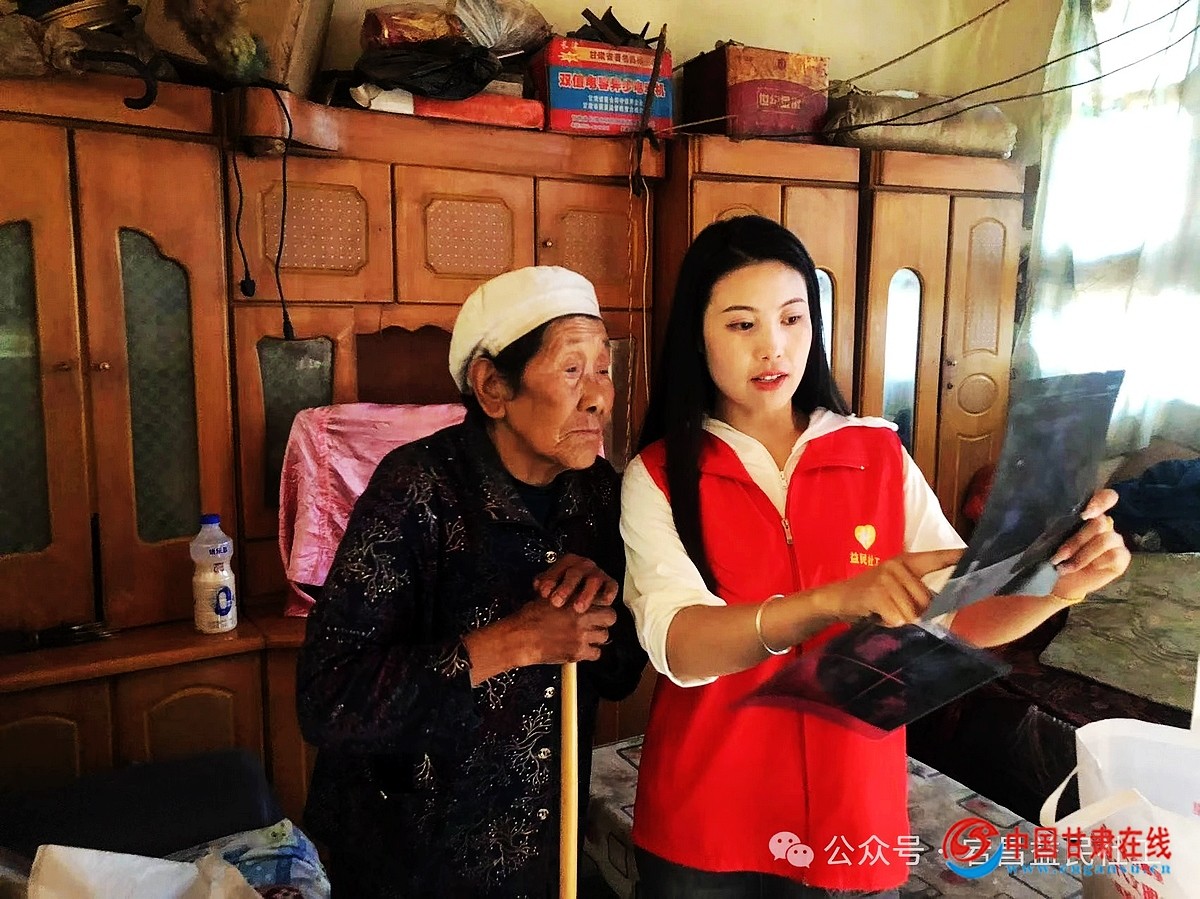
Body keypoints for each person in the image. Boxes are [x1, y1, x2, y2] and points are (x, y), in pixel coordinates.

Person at [619, 216, 1131, 897]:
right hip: (707, 821)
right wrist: (831, 601)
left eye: (792, 318)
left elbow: (960, 618)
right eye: (742, 324)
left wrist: (1060, 585)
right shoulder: (659, 475)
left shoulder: (876, 453)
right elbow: (679, 645)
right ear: (697, 334)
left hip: (850, 817)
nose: (774, 347)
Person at [297, 266, 647, 898]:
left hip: (540, 850)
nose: (599, 396)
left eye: (603, 368)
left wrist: (608, 601)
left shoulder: (601, 495)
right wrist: (516, 641)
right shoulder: (417, 489)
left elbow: (619, 672)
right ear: (492, 387)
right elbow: (329, 698)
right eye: (572, 369)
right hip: (409, 859)